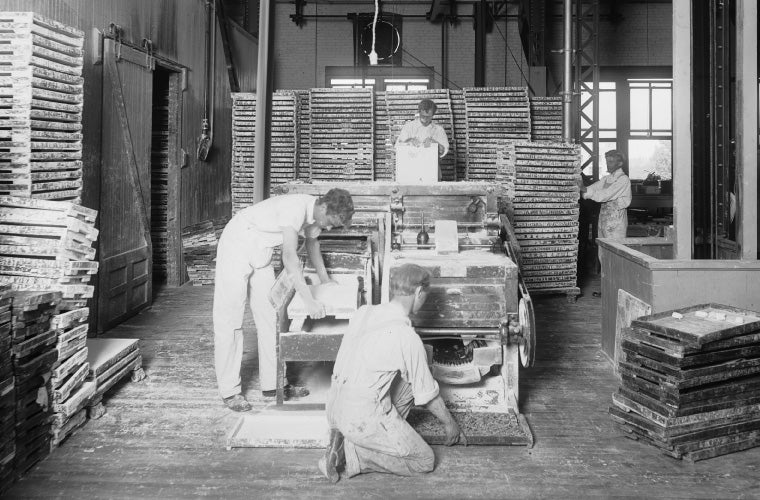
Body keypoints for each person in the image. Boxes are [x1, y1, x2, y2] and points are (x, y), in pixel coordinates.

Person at [318, 263, 467, 482]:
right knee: (424, 461)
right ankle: (353, 453)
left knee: (415, 370)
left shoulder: (364, 312)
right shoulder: (406, 338)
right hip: (359, 419)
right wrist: (450, 424)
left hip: (335, 406)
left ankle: (346, 438)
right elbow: (428, 395)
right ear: (418, 292)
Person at [213, 188, 354, 411]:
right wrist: (309, 301)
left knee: (271, 317)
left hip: (261, 250)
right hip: (238, 243)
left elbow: (312, 244)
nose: (328, 227)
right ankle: (230, 391)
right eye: (330, 221)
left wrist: (326, 280)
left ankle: (273, 385)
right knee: (229, 319)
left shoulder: (316, 214)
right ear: (324, 207)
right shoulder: (296, 208)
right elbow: (289, 256)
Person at [578, 150, 632, 297]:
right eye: (607, 161)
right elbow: (593, 188)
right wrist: (581, 186)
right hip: (604, 220)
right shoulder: (607, 178)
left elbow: (604, 195)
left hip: (616, 223)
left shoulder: (623, 179)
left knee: (615, 255)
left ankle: (617, 291)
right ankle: (607, 290)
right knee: (603, 255)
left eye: (611, 161)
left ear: (620, 163)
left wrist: (584, 190)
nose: (608, 164)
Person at [395, 98, 450, 179]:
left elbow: (444, 151)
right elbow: (397, 147)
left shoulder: (439, 130)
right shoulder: (409, 127)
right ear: (419, 112)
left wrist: (435, 143)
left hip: (432, 171)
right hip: (410, 171)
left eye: (428, 117)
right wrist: (409, 141)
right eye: (423, 115)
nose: (425, 119)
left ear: (433, 115)